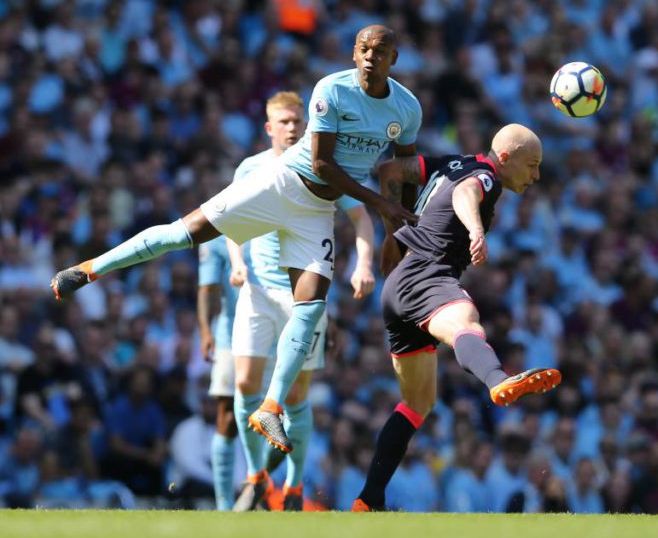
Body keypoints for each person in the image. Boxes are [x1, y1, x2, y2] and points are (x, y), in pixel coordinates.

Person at [50, 24, 421, 453]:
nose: (371, 56)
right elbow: (321, 165)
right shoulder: (331, 90)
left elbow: (405, 170)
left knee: (313, 305)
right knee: (182, 234)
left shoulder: (406, 108)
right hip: (284, 184)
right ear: (354, 54)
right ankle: (89, 268)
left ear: (394, 59)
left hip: (318, 212)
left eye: (381, 50)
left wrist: (397, 230)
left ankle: (270, 407)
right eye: (363, 48)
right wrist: (380, 204)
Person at [350, 123, 562, 512]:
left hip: (398, 284)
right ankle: (498, 381)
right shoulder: (486, 176)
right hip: (428, 275)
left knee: (418, 402)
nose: (536, 176)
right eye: (531, 165)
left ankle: (369, 497)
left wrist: (392, 232)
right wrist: (476, 228)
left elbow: (391, 171)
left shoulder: (452, 163)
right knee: (466, 320)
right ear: (505, 158)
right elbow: (468, 193)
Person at [226, 91, 375, 512]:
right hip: (256, 292)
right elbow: (228, 221)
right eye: (284, 121)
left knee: (295, 398)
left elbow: (361, 215)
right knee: (244, 386)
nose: (293, 127)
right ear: (269, 128)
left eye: (298, 121)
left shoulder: (321, 167)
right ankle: (256, 476)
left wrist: (364, 263)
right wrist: (237, 263)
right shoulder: (250, 168)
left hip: (303, 299)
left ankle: (292, 486)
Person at [196, 234, 238, 510]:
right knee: (228, 416)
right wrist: (205, 330)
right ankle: (224, 505)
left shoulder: (272, 218)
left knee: (279, 415)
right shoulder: (217, 237)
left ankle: (273, 489)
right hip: (230, 336)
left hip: (275, 332)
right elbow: (207, 287)